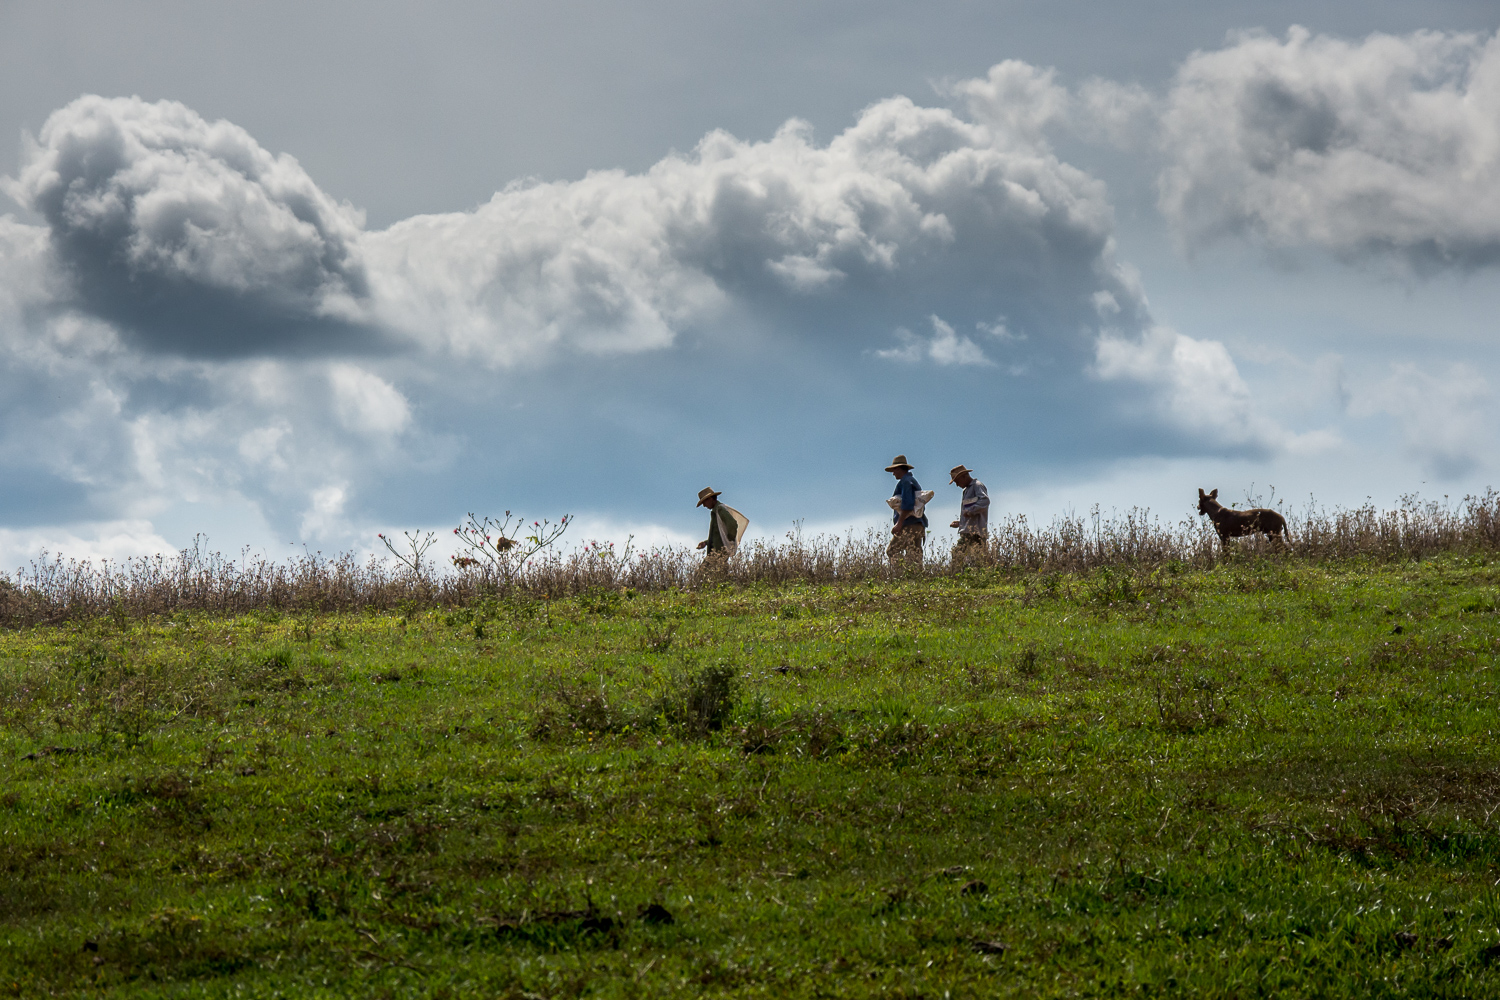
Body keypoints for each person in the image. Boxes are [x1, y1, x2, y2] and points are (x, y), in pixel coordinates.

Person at [885, 455, 927, 567]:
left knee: (892, 551)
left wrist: (899, 524)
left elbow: (907, 504)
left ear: (900, 468)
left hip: (909, 525)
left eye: (895, 470)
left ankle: (900, 576)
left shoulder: (905, 482)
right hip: (918, 524)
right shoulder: (912, 481)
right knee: (914, 555)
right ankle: (917, 579)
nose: (893, 473)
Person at [695, 488, 748, 573]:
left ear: (710, 499)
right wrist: (706, 542)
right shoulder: (716, 511)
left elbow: (732, 525)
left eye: (704, 502)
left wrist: (730, 541)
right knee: (718, 575)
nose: (704, 505)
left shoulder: (720, 510)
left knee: (702, 574)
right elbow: (718, 535)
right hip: (717, 551)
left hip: (719, 551)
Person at [948, 464, 991, 565]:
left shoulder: (977, 485)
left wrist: (970, 511)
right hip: (969, 531)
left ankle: (957, 577)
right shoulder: (967, 490)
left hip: (975, 532)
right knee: (976, 559)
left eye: (957, 481)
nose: (957, 485)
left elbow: (985, 501)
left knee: (959, 555)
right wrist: (960, 523)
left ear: (964, 476)